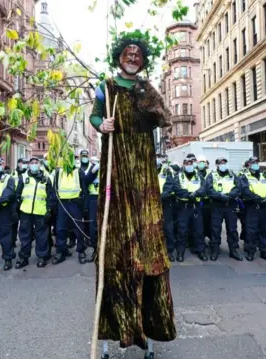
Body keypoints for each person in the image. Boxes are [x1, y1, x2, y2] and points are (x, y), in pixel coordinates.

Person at [89, 34, 176, 357]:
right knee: (116, 245)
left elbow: (164, 118)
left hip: (143, 171)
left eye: (138, 54)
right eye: (129, 52)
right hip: (116, 167)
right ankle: (113, 332)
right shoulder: (106, 86)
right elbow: (94, 115)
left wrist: (147, 96)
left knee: (146, 239)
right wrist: (103, 125)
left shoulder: (147, 87)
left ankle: (148, 330)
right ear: (119, 56)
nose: (133, 57)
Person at [16, 157, 54, 268]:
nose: (33, 164)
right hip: (25, 212)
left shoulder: (46, 179)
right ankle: (23, 258)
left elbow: (51, 196)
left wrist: (49, 210)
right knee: (25, 236)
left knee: (42, 236)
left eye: (36, 163)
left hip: (41, 212)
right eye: (31, 163)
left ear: (39, 165)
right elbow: (18, 194)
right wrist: (19, 207)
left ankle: (42, 257)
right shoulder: (23, 177)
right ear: (28, 165)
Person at [205, 156, 243, 261]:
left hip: (230, 205)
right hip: (217, 205)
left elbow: (238, 187)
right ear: (217, 165)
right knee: (215, 229)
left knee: (232, 228)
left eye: (225, 163)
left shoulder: (232, 174)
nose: (223, 165)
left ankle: (233, 250)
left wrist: (230, 196)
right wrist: (221, 196)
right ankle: (215, 250)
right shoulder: (212, 175)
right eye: (221, 163)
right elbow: (209, 189)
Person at [51, 159, 87, 264]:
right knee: (60, 229)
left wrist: (84, 205)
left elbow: (84, 189)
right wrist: (54, 205)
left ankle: (81, 251)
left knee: (79, 229)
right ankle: (61, 252)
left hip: (75, 204)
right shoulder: (59, 172)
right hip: (62, 204)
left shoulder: (78, 172)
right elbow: (55, 189)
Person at [240, 157, 266, 262]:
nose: (255, 164)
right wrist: (258, 199)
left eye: (257, 162)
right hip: (252, 207)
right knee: (251, 230)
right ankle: (251, 251)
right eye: (253, 163)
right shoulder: (244, 176)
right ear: (249, 164)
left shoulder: (265, 175)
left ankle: (265, 251)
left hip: (265, 207)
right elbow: (245, 191)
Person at [173, 158, 207, 262]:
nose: (189, 165)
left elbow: (204, 187)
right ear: (183, 165)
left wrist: (196, 194)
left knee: (199, 230)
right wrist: (189, 195)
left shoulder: (198, 175)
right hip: (184, 207)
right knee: (182, 231)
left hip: (196, 207)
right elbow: (176, 189)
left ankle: (201, 251)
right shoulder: (178, 176)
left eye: (191, 163)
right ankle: (180, 252)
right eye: (187, 163)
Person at [156, 155, 176, 261]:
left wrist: (162, 195)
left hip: (165, 202)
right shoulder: (146, 169)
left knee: (168, 227)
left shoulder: (167, 170)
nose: (157, 159)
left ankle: (169, 251)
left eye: (158, 157)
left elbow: (170, 184)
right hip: (152, 203)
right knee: (153, 227)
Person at [84, 158, 101, 263]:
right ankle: (96, 250)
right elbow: (86, 181)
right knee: (93, 227)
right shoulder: (94, 167)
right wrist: (94, 171)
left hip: (109, 198)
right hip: (94, 199)